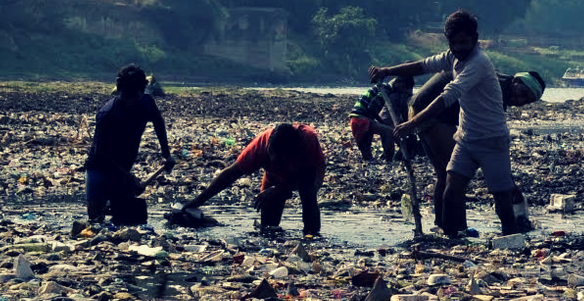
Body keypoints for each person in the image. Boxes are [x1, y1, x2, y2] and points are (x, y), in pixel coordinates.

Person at [368, 9, 519, 238]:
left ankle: (512, 238)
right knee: (451, 189)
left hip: (492, 140)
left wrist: (411, 124)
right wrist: (387, 71)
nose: (459, 48)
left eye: (464, 42)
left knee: (501, 196)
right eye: (454, 43)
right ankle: (451, 238)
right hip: (466, 139)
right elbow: (422, 66)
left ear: (475, 40)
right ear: (449, 42)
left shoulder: (478, 63)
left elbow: (447, 97)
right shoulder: (452, 56)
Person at [409, 68, 545, 232]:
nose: (520, 99)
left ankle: (444, 225)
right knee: (454, 176)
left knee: (444, 174)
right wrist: (506, 180)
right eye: (522, 92)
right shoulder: (496, 89)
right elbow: (490, 138)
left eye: (526, 100)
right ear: (516, 81)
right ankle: (457, 228)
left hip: (420, 107)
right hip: (433, 112)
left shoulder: (499, 83)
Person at [182, 122, 327, 235]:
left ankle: (312, 237)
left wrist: (280, 189)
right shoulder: (261, 146)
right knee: (269, 227)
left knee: (308, 196)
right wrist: (198, 201)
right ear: (269, 145)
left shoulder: (307, 141)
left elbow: (307, 179)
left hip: (308, 170)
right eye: (272, 153)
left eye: (280, 157)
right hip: (274, 175)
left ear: (292, 151)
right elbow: (231, 174)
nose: (275, 159)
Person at [85, 64, 173, 223]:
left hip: (124, 167)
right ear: (119, 92)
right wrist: (129, 177)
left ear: (142, 91)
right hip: (99, 170)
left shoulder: (147, 103)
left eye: (135, 97)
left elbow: (158, 122)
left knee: (127, 221)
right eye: (126, 97)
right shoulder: (108, 113)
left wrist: (166, 155)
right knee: (95, 222)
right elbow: (100, 152)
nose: (130, 102)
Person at [349, 75, 414, 162]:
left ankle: (370, 160)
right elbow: (371, 108)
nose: (402, 90)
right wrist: (381, 122)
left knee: (366, 146)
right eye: (403, 88)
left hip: (358, 117)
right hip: (361, 118)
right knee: (389, 132)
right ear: (398, 83)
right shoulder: (385, 89)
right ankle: (389, 160)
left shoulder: (386, 88)